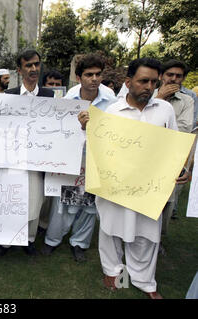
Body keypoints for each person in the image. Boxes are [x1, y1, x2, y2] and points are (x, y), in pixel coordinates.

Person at [78, 57, 189, 299]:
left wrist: (181, 170)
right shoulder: (112, 111)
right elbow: (98, 146)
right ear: (128, 82)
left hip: (148, 189)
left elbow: (174, 146)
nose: (149, 87)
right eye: (143, 81)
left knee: (147, 233)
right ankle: (113, 270)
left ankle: (145, 281)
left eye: (153, 82)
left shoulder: (165, 110)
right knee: (110, 227)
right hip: (116, 184)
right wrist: (87, 128)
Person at [42, 54, 118, 263]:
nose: (94, 78)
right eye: (88, 74)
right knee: (63, 203)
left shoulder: (111, 99)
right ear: (78, 77)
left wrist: (91, 128)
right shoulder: (69, 99)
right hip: (72, 158)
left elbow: (115, 131)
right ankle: (53, 240)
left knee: (89, 205)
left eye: (98, 74)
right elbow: (59, 130)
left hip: (98, 159)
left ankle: (79, 243)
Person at [0, 49, 54, 256]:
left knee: (35, 201)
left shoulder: (49, 95)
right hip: (12, 159)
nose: (34, 69)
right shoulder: (8, 96)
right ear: (19, 69)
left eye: (36, 64)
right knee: (11, 200)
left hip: (38, 159)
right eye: (29, 65)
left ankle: (29, 239)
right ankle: (6, 241)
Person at [155, 60, 195, 231]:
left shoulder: (187, 101)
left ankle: (158, 239)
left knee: (166, 202)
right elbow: (141, 126)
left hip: (172, 159)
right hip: (148, 155)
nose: (173, 79)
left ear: (183, 79)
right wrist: (159, 99)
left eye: (178, 76)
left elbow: (184, 129)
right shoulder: (150, 95)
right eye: (170, 75)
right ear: (161, 76)